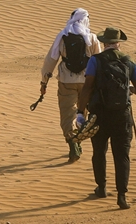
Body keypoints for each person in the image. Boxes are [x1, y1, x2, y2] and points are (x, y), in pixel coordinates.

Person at [78, 27, 136, 210]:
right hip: (122, 115)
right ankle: (122, 196)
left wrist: (80, 112)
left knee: (99, 151)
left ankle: (101, 187)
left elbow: (87, 87)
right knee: (122, 155)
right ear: (118, 43)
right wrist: (129, 90)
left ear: (104, 43)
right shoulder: (129, 61)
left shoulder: (95, 60)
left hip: (99, 114)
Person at [41, 9, 103, 163]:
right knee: (82, 112)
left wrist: (44, 81)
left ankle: (72, 143)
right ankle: (78, 139)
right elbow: (99, 61)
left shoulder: (63, 36)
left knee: (67, 112)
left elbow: (51, 60)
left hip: (66, 81)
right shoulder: (91, 37)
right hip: (87, 81)